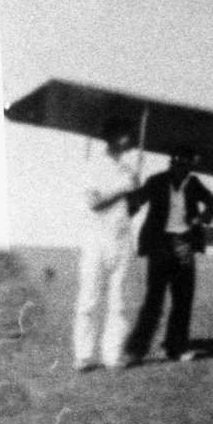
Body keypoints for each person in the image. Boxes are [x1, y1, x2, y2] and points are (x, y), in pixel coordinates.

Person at [125, 146, 213, 363]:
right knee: (154, 298)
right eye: (177, 165)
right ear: (171, 164)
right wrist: (132, 197)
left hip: (184, 243)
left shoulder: (194, 184)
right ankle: (137, 350)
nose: (181, 170)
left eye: (186, 166)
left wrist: (200, 220)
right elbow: (137, 201)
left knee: (183, 298)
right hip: (160, 243)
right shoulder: (157, 181)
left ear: (189, 167)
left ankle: (175, 349)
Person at [73, 117, 140, 372]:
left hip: (121, 238)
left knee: (119, 302)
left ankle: (113, 355)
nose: (130, 139)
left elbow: (131, 208)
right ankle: (83, 355)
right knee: (89, 299)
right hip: (96, 238)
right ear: (112, 137)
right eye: (125, 134)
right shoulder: (93, 166)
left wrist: (135, 193)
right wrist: (124, 189)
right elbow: (94, 203)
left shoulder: (127, 170)